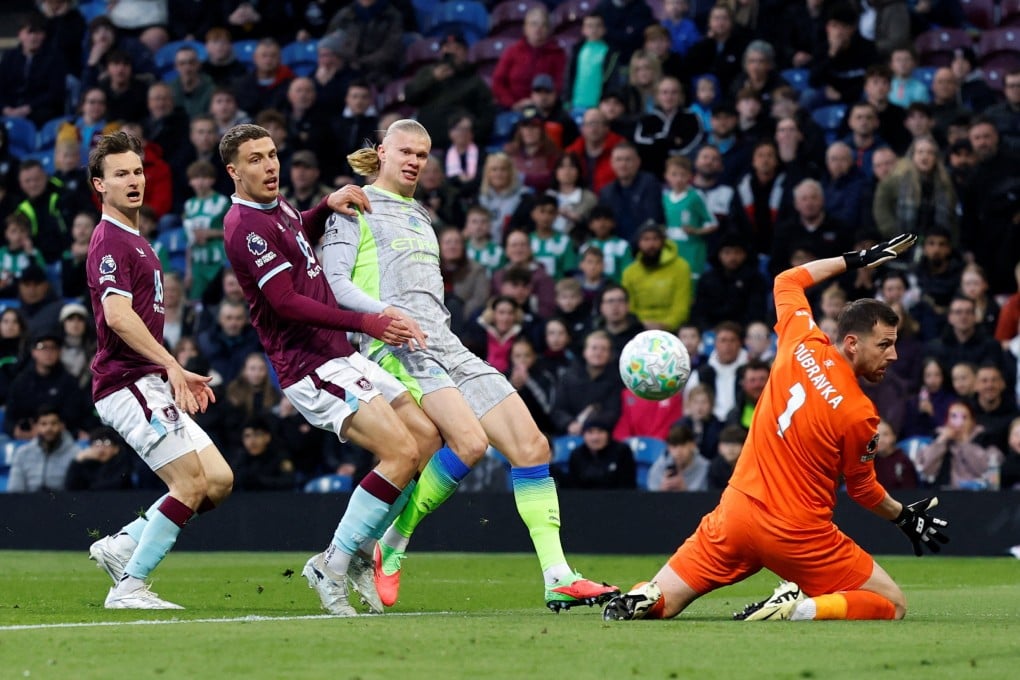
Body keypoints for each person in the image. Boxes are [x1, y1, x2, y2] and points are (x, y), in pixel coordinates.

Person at [321, 119, 619, 611]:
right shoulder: (353, 208)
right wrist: (381, 318)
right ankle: (391, 546)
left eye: (423, 153)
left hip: (446, 342)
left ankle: (557, 576)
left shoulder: (422, 216)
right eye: (406, 151)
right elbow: (333, 285)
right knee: (470, 442)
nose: (416, 160)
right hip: (395, 346)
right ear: (382, 152)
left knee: (531, 446)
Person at [603, 232, 953, 624]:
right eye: (885, 344)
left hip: (735, 514)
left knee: (663, 601)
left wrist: (858, 259)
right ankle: (798, 607)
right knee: (891, 603)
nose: (894, 354)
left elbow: (787, 279)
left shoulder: (800, 340)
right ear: (852, 343)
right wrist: (903, 516)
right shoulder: (859, 414)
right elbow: (863, 490)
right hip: (797, 533)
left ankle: (641, 596)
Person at [219, 122, 433, 616]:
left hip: (339, 354)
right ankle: (332, 563)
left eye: (272, 154)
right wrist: (367, 321)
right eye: (255, 160)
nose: (269, 166)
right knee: (399, 452)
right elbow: (287, 303)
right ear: (234, 171)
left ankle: (358, 551)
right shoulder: (245, 227)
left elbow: (297, 238)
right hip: (310, 365)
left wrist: (321, 210)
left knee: (425, 438)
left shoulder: (278, 208)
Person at [83, 131, 233, 610]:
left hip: (146, 380)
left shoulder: (138, 240)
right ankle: (129, 586)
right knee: (188, 483)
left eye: (138, 171)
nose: (134, 181)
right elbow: (117, 316)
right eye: (121, 174)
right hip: (126, 382)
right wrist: (172, 364)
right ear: (98, 185)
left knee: (217, 481)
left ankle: (125, 544)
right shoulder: (109, 241)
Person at [915, 400, 1004, 490]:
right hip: (944, 494)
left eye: (964, 417)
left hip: (977, 495)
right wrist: (941, 441)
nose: (959, 422)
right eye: (953, 416)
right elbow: (925, 469)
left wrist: (964, 443)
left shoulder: (986, 440)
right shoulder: (938, 438)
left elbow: (988, 472)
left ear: (972, 422)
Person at [5, 405, 78, 492]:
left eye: (53, 423)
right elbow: (14, 492)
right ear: (36, 427)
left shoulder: (76, 454)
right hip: (29, 503)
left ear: (62, 426)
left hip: (64, 503)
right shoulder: (22, 454)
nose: (49, 428)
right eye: (43, 424)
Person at [561, 416, 637, 490]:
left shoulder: (622, 452)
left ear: (608, 434)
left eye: (600, 431)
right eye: (590, 432)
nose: (595, 438)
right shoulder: (576, 455)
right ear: (583, 435)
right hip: (585, 500)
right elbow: (574, 488)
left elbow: (628, 486)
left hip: (616, 500)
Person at [65, 425, 136, 491]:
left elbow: (113, 486)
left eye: (106, 443)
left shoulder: (123, 463)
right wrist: (78, 460)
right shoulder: (87, 464)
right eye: (97, 444)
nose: (101, 449)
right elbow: (70, 488)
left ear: (116, 449)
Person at [647, 423, 710, 492]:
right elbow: (651, 499)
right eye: (674, 446)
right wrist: (661, 491)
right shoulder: (659, 467)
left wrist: (685, 491)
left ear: (692, 445)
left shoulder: (705, 468)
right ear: (668, 447)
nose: (678, 452)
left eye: (683, 445)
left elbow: (708, 500)